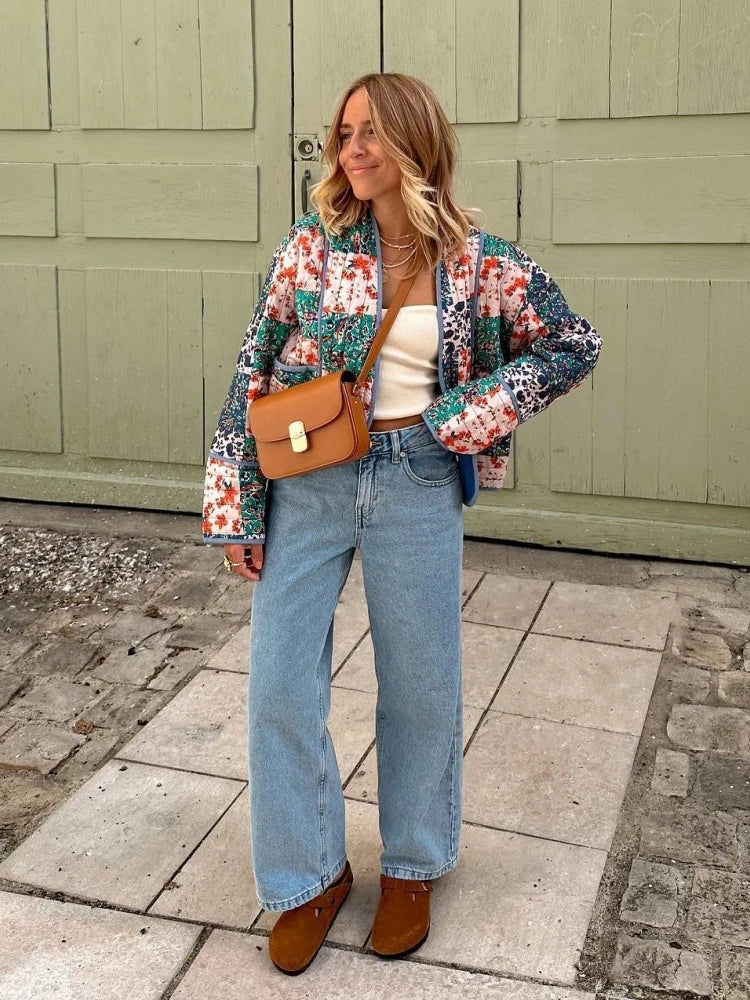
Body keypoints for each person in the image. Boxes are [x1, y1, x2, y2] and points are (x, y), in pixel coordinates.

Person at [203, 72, 602, 975]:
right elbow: (252, 367)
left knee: (419, 687)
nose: (354, 150)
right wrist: (236, 503)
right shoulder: (312, 246)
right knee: (280, 687)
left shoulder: (479, 262)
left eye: (373, 132)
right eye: (344, 134)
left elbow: (573, 343)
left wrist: (462, 417)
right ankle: (308, 876)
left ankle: (413, 866)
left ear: (416, 140)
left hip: (416, 477)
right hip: (309, 482)